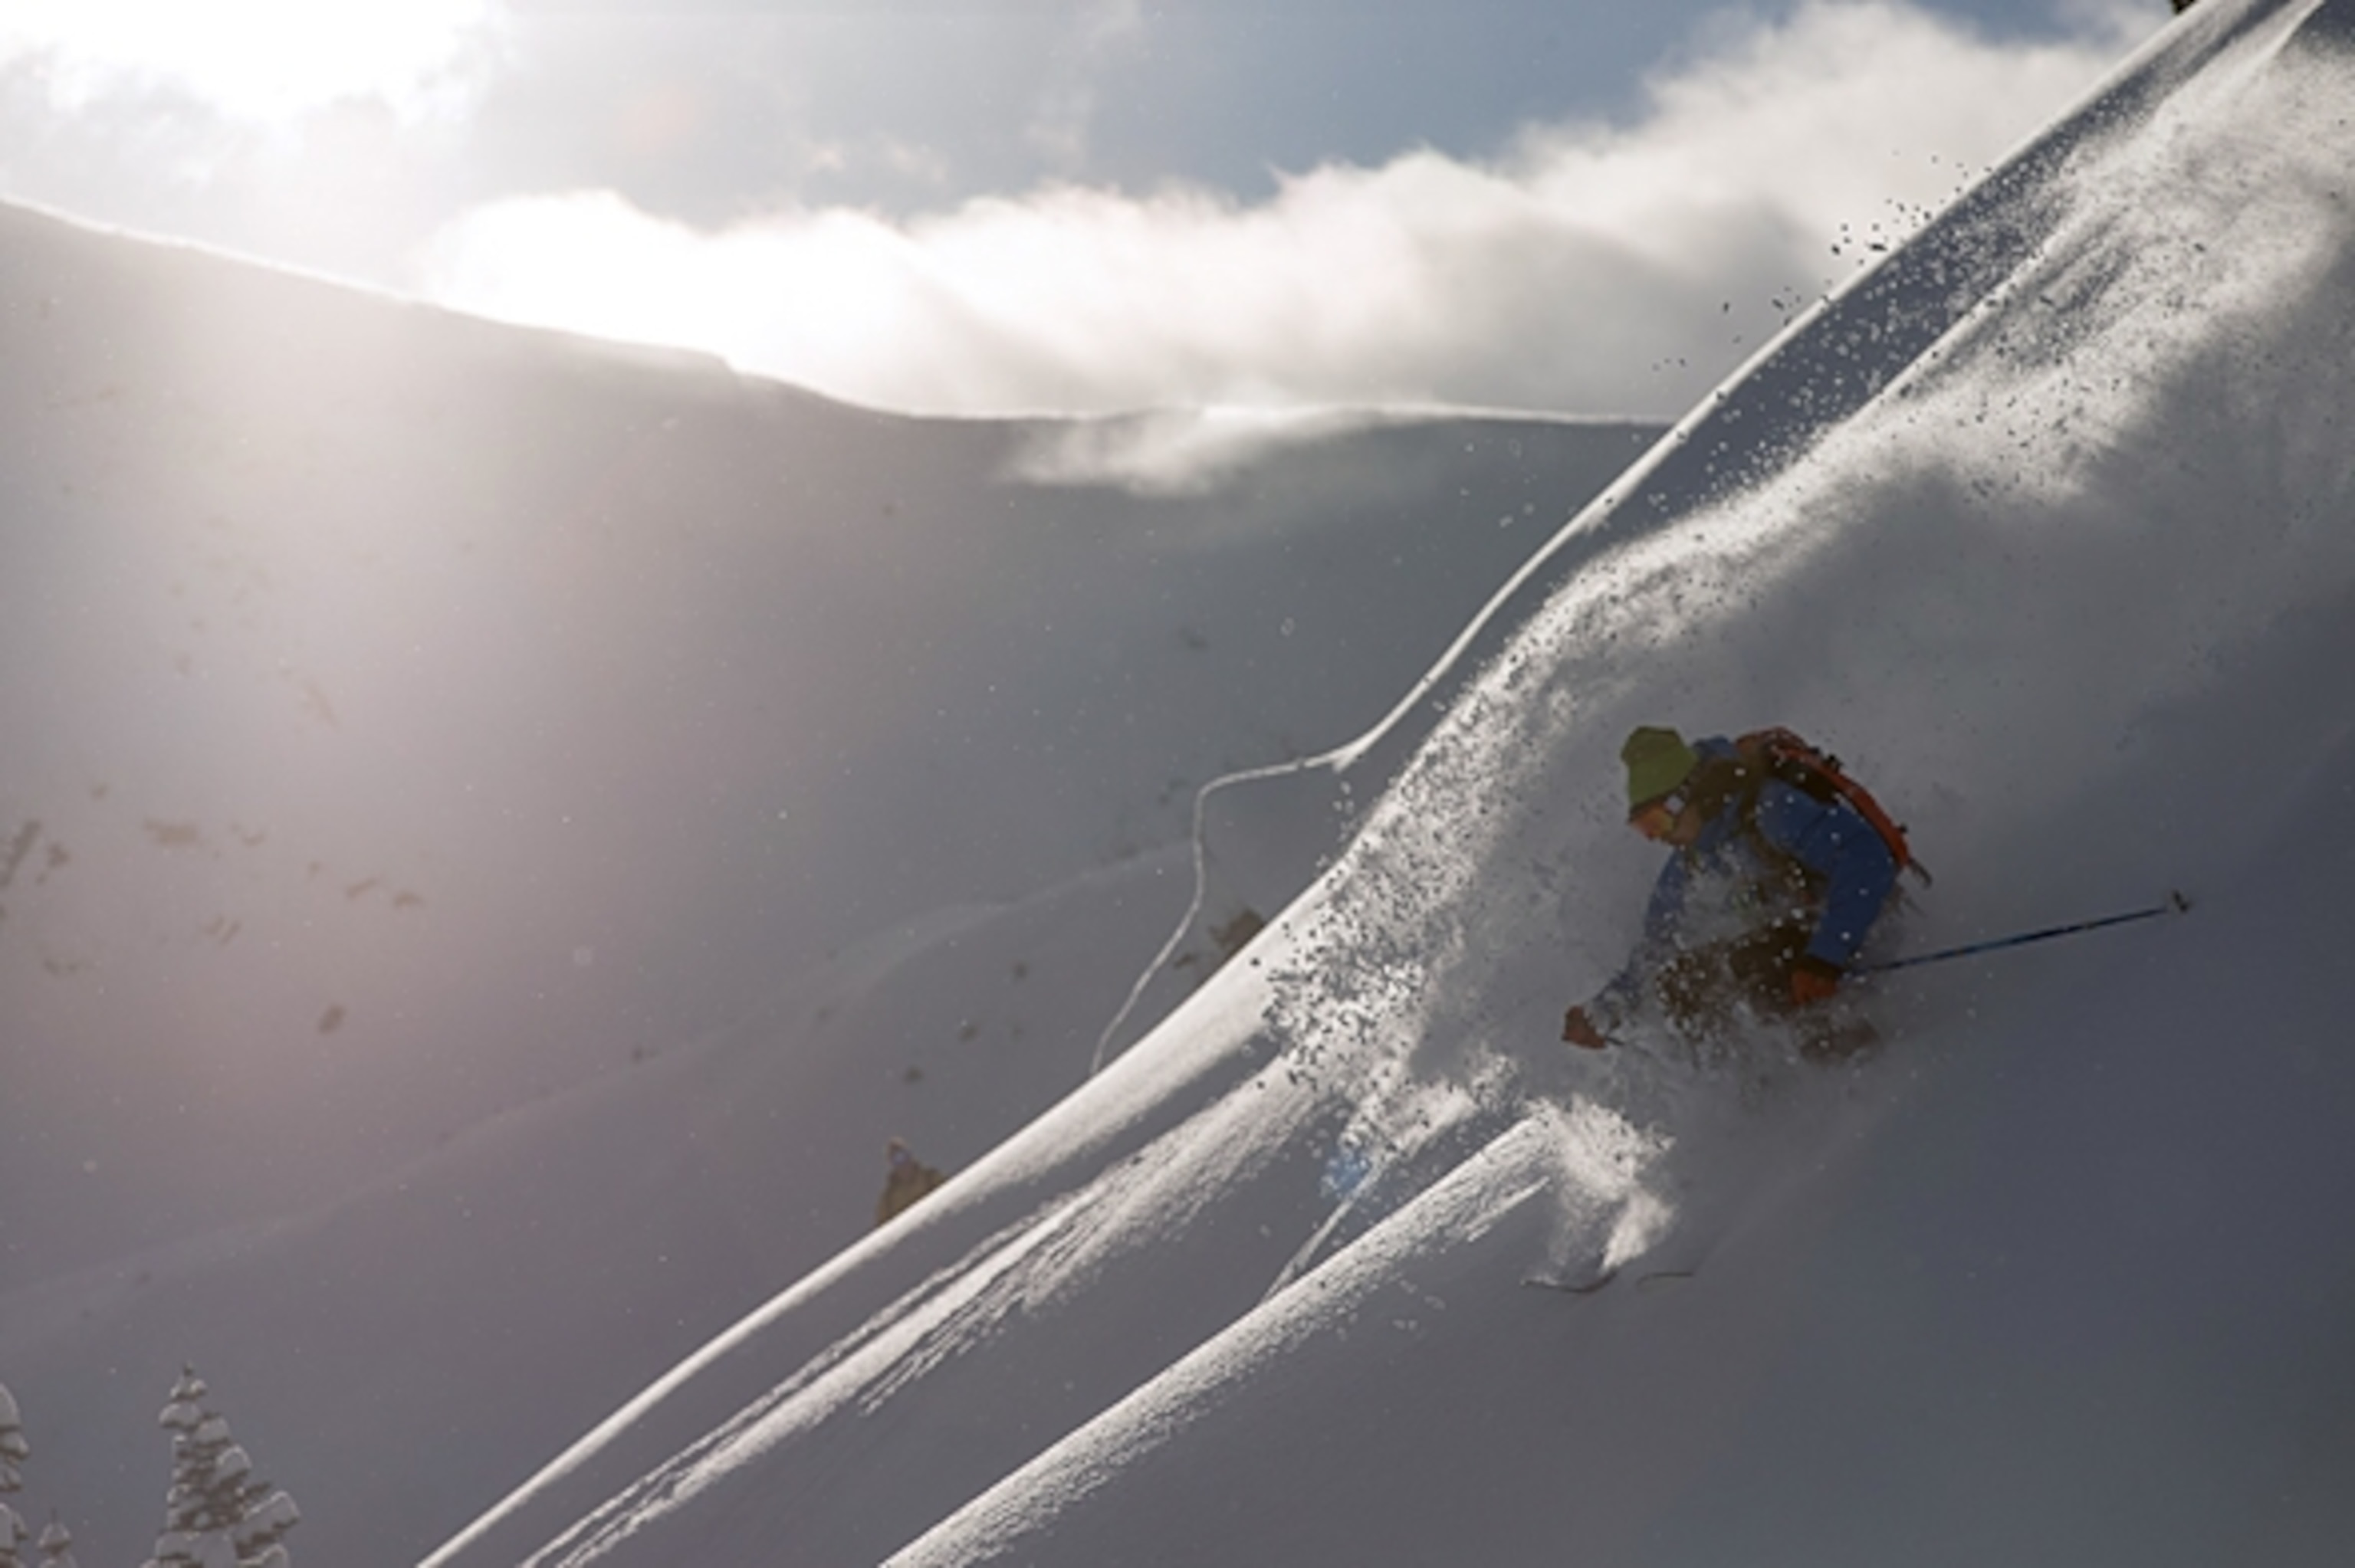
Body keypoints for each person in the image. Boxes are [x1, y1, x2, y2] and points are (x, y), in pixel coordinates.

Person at [1562, 725, 1903, 1056]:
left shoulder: (1771, 810)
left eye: (1657, 821)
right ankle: (1750, 1089)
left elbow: (1867, 858)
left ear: (1688, 795)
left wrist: (1826, 957)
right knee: (1682, 982)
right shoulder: (1690, 860)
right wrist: (1603, 1012)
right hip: (1802, 950)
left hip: (1859, 929)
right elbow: (1656, 949)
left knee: (1750, 963)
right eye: (1643, 829)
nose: (1657, 837)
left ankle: (1862, 1059)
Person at [874, 1137, 948, 1228]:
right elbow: (883, 1233)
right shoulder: (888, 1200)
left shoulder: (931, 1178)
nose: (903, 1163)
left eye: (903, 1156)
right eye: (897, 1160)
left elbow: (951, 1202)